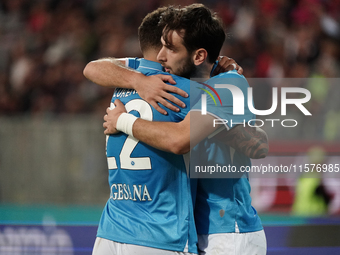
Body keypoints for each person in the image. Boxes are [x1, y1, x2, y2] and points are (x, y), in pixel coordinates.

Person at [102, 4, 267, 255]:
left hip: (228, 230)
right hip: (194, 226)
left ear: (198, 56)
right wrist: (137, 80)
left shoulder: (228, 83)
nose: (160, 57)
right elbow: (93, 67)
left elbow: (181, 139)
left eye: (171, 48)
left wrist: (122, 121)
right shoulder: (187, 85)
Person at [85, 5, 230, 255]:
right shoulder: (184, 90)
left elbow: (90, 67)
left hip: (110, 231)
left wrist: (135, 83)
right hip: (160, 234)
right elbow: (254, 141)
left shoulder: (121, 81)